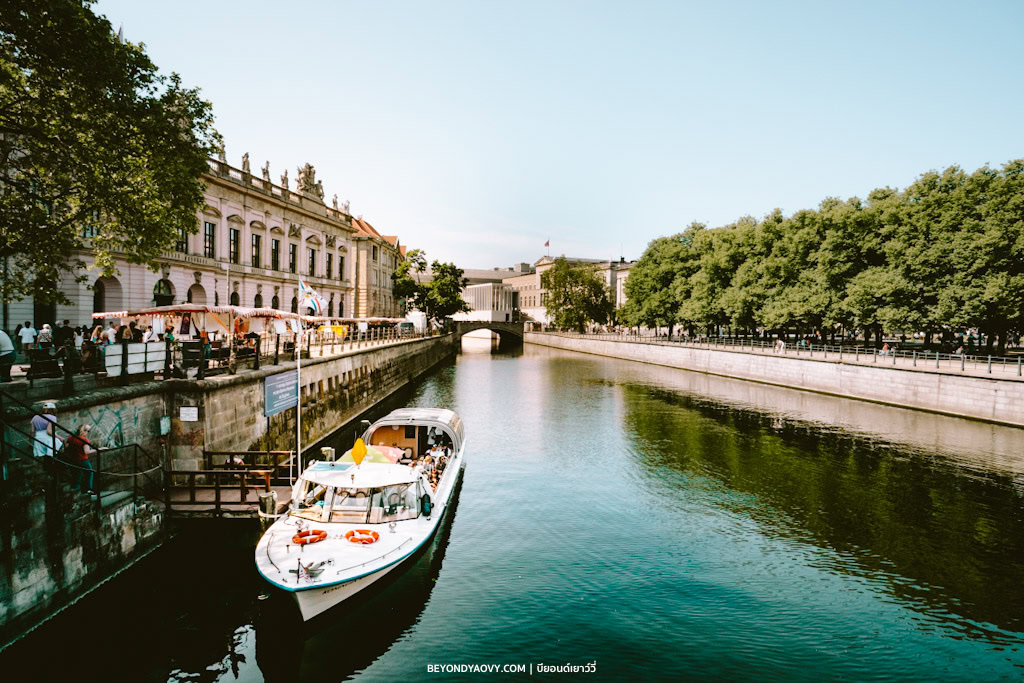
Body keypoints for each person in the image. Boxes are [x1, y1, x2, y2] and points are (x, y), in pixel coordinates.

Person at [65, 424, 97, 494]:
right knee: (89, 473)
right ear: (83, 431)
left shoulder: (70, 438)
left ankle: (76, 491)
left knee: (77, 476)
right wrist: (98, 449)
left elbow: (66, 448)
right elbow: (87, 452)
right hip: (83, 460)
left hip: (73, 460)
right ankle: (88, 489)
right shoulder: (84, 440)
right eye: (88, 431)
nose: (88, 433)